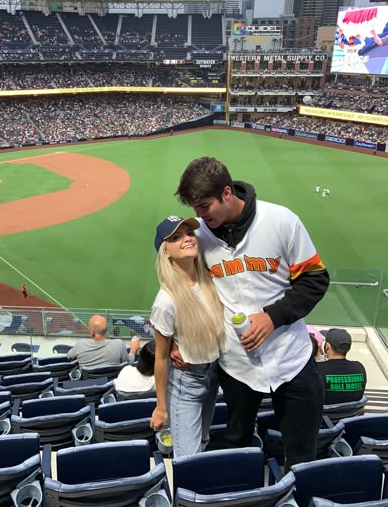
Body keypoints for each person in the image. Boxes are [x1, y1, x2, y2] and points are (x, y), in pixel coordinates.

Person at [174, 157, 330, 471]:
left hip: (291, 357)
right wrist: (179, 339)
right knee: (236, 445)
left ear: (227, 193)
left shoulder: (281, 221)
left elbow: (315, 278)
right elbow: (183, 292)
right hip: (236, 363)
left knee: (302, 453)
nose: (199, 216)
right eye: (194, 208)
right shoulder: (198, 237)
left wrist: (273, 316)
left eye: (204, 206)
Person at [150, 216, 225, 458]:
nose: (187, 239)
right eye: (176, 237)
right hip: (186, 382)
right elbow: (160, 358)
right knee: (188, 456)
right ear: (166, 252)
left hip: (213, 373)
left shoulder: (210, 280)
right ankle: (184, 497)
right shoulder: (165, 300)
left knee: (203, 441)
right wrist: (161, 407)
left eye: (189, 234)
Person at [67, 314, 140, 367]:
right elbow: (127, 365)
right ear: (107, 329)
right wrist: (133, 350)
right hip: (111, 383)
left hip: (88, 383)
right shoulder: (118, 344)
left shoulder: (81, 345)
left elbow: (69, 356)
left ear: (92, 332)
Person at [317, 329, 367, 404]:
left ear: (327, 346)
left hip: (325, 415)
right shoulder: (359, 368)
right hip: (352, 414)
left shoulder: (318, 370)